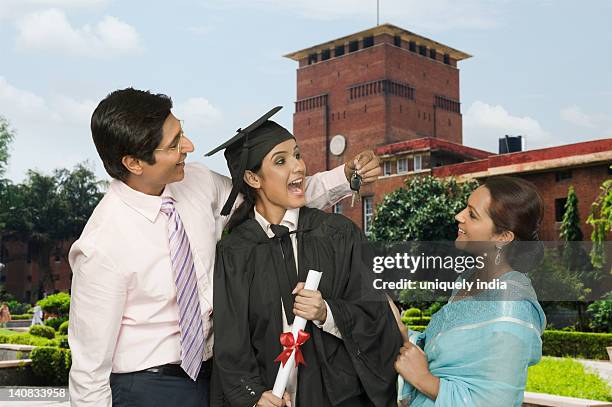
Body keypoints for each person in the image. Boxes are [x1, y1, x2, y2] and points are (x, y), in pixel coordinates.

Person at [67, 89, 382, 407]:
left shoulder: (198, 183)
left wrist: (344, 177)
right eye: (174, 144)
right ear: (134, 162)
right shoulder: (101, 246)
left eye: (182, 133)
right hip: (148, 389)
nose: (189, 147)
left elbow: (271, 196)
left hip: (215, 379)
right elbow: (88, 372)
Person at [210, 109, 402, 407]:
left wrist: (327, 312)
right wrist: (254, 396)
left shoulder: (338, 234)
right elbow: (231, 343)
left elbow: (379, 320)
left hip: (338, 398)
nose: (298, 166)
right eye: (281, 161)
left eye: (297, 155)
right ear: (252, 178)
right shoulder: (236, 251)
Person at [394, 176, 546, 407]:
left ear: (503, 237)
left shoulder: (513, 306)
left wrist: (423, 379)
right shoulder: (466, 280)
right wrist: (402, 333)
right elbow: (441, 353)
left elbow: (496, 402)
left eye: (472, 214)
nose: (459, 216)